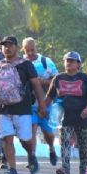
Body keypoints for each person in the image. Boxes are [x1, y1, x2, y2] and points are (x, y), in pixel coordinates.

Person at [0, 36, 45, 174]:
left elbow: (36, 85)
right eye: (4, 46)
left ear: (16, 47)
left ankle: (31, 154)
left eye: (10, 45)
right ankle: (12, 168)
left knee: (24, 139)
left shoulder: (26, 64)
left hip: (23, 109)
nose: (7, 48)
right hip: (3, 109)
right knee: (6, 138)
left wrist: (42, 105)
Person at [45, 52, 87, 174]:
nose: (69, 63)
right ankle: (65, 168)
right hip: (66, 116)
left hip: (82, 116)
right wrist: (43, 109)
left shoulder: (84, 78)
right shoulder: (58, 78)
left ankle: (83, 168)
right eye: (67, 60)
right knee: (65, 141)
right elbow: (50, 96)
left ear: (78, 64)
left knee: (83, 144)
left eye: (72, 61)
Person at [22, 37, 59, 167]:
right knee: (32, 128)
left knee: (47, 133)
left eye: (32, 50)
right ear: (23, 49)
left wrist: (39, 82)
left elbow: (57, 80)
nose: (30, 53)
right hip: (28, 104)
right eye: (27, 50)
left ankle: (51, 148)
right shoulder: (21, 62)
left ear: (36, 48)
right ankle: (31, 157)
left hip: (45, 102)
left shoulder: (45, 62)